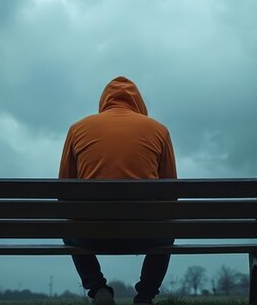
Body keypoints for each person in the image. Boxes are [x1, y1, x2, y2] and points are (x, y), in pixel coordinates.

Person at [59, 76, 177, 305]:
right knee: (168, 226)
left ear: (104, 101)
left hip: (91, 235)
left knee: (68, 227)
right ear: (138, 102)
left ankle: (97, 288)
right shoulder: (159, 131)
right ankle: (145, 295)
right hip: (146, 234)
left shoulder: (77, 129)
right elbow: (171, 193)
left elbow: (64, 192)